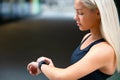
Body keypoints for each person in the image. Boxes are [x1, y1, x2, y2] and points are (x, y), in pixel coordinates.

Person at [27, 0, 120, 80]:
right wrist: (50, 68)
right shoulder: (87, 37)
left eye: (80, 13)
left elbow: (62, 77)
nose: (75, 17)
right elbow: (72, 75)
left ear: (98, 13)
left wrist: (41, 65)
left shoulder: (104, 50)